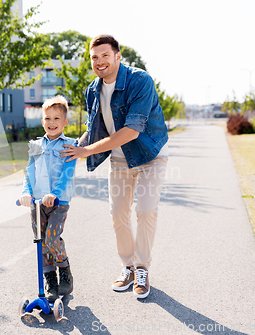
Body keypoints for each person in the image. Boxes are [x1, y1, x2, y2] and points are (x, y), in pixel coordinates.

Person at [61, 35, 168, 299]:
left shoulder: (139, 81)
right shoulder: (92, 90)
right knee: (118, 212)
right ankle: (128, 266)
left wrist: (86, 151)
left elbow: (132, 130)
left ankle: (142, 268)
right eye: (94, 57)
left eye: (105, 55)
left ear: (117, 56)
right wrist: (69, 148)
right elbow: (94, 130)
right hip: (120, 159)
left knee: (145, 210)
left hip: (150, 154)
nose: (99, 62)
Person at [20, 95, 77, 302]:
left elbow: (67, 172)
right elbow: (29, 171)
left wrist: (56, 194)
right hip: (36, 203)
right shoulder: (35, 145)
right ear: (42, 121)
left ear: (65, 122)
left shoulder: (70, 145)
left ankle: (64, 268)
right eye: (47, 118)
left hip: (58, 203)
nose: (51, 123)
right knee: (40, 242)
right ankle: (50, 281)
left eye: (56, 118)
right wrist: (26, 192)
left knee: (52, 238)